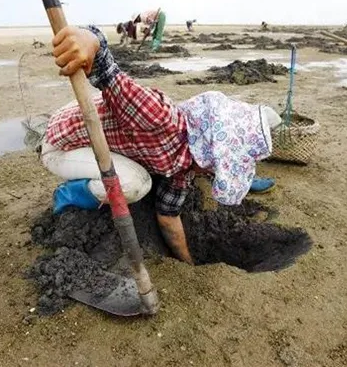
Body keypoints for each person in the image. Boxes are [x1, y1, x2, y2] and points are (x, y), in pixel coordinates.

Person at [38, 25, 281, 264]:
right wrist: (90, 39)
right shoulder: (160, 118)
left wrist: (188, 263)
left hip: (99, 131)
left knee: (142, 178)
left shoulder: (184, 169)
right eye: (216, 167)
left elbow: (167, 216)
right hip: (63, 142)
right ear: (207, 151)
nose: (211, 173)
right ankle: (68, 195)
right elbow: (107, 70)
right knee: (136, 183)